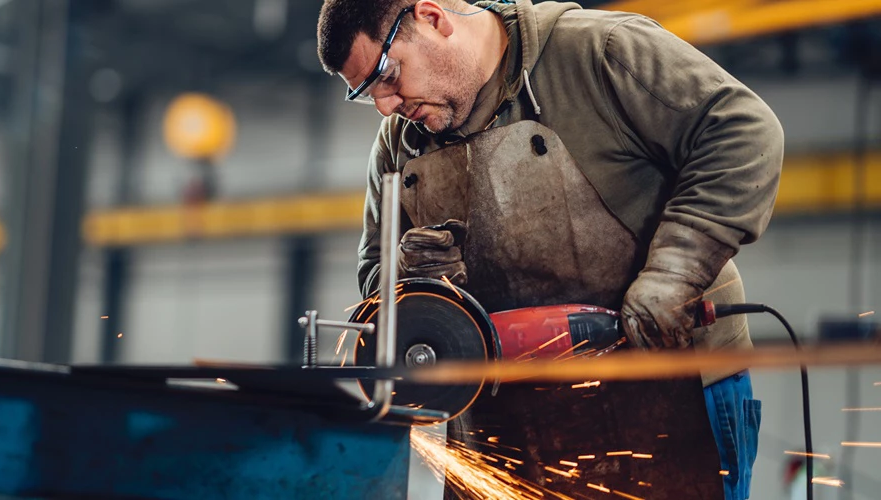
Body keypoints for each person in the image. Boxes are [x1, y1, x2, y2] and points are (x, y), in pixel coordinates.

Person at [316, 1, 783, 499]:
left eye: (388, 74)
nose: (387, 106)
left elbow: (741, 131)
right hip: (500, 427)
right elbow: (375, 278)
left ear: (433, 17)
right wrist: (416, 286)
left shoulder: (597, 53)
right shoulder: (399, 145)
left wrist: (676, 273)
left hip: (668, 389)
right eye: (368, 94)